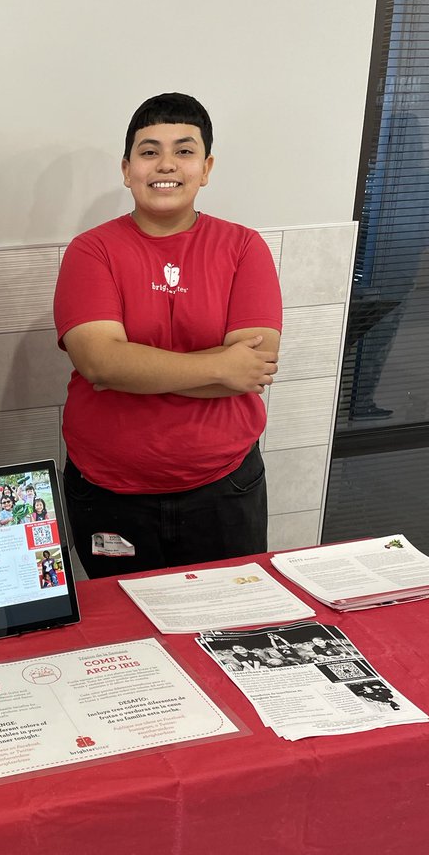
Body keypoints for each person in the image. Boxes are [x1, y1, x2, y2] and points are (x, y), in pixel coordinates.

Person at [53, 93, 282, 579]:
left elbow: (253, 368)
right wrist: (220, 364)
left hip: (225, 490)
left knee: (227, 627)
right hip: (110, 494)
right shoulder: (91, 251)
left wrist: (131, 370)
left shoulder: (244, 247)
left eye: (184, 150)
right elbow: (99, 362)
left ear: (206, 167)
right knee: (127, 638)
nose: (166, 165)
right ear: (126, 167)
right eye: (149, 150)